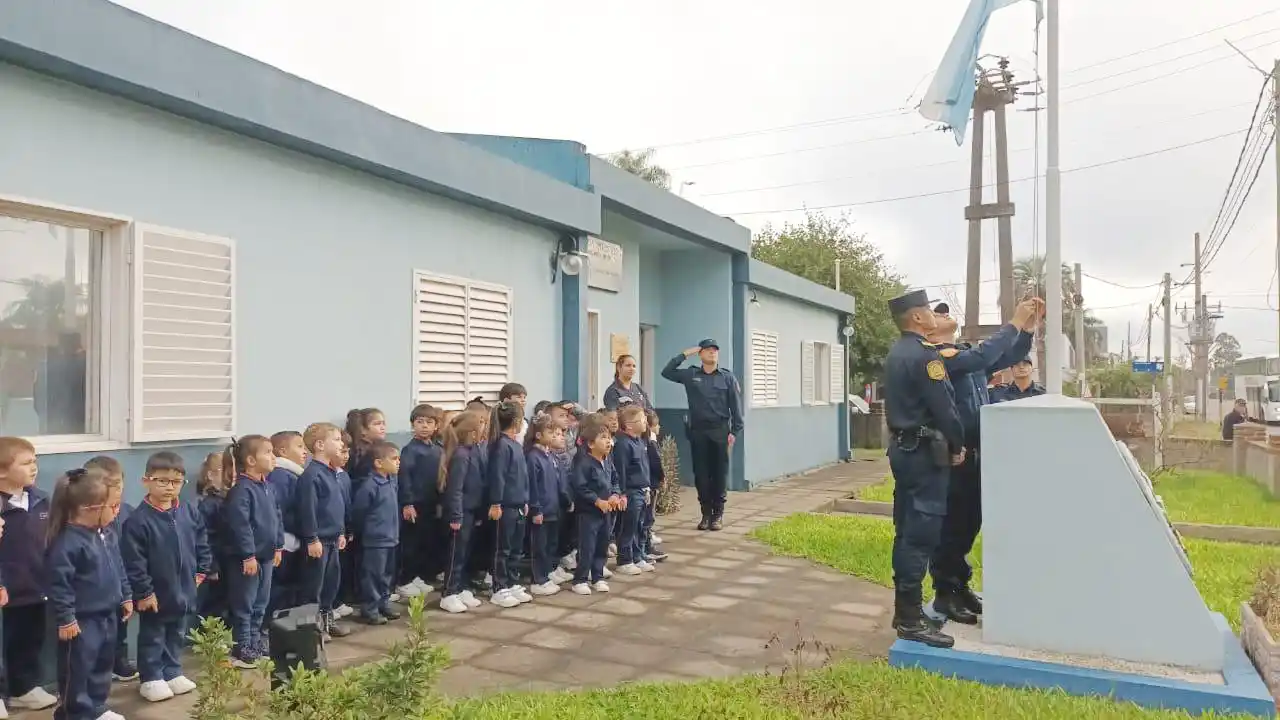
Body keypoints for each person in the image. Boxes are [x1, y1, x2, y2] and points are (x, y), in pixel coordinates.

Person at [926, 300, 1039, 626]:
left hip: (978, 455)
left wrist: (1027, 330)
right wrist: (1015, 320)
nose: (945, 314)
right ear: (929, 330)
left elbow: (1008, 356)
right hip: (955, 456)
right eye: (937, 313)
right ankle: (944, 592)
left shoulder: (965, 355)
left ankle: (960, 586)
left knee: (969, 525)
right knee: (951, 527)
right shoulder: (939, 358)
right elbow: (985, 355)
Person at [883, 289, 964, 649]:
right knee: (920, 534)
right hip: (924, 454)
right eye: (929, 310)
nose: (934, 315)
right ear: (917, 317)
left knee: (906, 531)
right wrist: (958, 444)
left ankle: (906, 611)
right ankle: (911, 619)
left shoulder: (898, 352)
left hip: (904, 450)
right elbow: (944, 408)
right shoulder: (925, 356)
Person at [120, 451, 211, 703]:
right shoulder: (138, 521)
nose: (169, 487)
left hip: (184, 588)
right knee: (153, 634)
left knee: (176, 632)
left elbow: (201, 541)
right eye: (162, 481)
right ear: (146, 481)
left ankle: (172, 671)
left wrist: (201, 570)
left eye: (176, 481)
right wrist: (144, 592)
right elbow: (134, 562)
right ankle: (151, 677)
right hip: (156, 593)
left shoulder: (188, 511)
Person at [45, 467, 133, 720]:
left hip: (107, 614)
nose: (117, 511)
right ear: (89, 509)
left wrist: (126, 595)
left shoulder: (106, 533)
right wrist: (66, 618)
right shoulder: (67, 543)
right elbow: (59, 584)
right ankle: (76, 712)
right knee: (78, 670)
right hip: (81, 622)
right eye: (113, 506)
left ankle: (96, 706)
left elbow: (118, 566)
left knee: (102, 665)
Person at [661, 339, 744, 531]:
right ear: (700, 354)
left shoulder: (727, 377)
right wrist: (685, 353)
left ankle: (718, 515)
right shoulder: (691, 375)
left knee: (719, 474)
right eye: (707, 350)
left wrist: (735, 431)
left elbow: (735, 406)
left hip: (720, 431)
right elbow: (667, 372)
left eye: (715, 350)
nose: (712, 352)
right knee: (701, 474)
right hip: (698, 431)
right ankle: (705, 514)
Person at [0, 436, 58, 713]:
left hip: (36, 588)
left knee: (30, 640)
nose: (34, 467)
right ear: (2, 471)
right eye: (25, 463)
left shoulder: (41, 500)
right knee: (5, 644)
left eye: (35, 461)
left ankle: (24, 688)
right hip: (6, 592)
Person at [221, 435, 283, 668]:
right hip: (247, 560)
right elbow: (240, 525)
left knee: (260, 603)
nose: (273, 457)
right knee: (244, 604)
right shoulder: (242, 490)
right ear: (250, 460)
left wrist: (278, 546)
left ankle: (255, 642)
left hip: (266, 556)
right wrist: (248, 554)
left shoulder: (268, 487)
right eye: (268, 452)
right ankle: (242, 646)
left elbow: (277, 517)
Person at [83, 455, 137, 685]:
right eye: (109, 484)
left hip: (122, 576)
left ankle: (118, 660)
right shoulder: (84, 520)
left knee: (121, 623)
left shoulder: (128, 511)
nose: (116, 489)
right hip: (96, 586)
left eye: (118, 483)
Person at [296, 422, 350, 639]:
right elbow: (307, 509)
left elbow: (337, 506)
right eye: (336, 440)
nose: (341, 444)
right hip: (319, 541)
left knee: (330, 584)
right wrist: (312, 538)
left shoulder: (332, 473)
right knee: (314, 587)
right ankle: (311, 629)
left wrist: (341, 532)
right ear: (319, 445)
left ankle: (327, 621)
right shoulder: (312, 475)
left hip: (333, 539)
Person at [438, 411, 487, 614]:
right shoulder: (460, 455)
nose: (484, 427)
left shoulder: (474, 451)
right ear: (472, 431)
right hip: (461, 512)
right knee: (456, 554)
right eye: (481, 423)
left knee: (467, 553)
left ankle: (461, 587)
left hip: (473, 510)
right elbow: (455, 489)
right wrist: (456, 515)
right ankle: (449, 592)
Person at [486, 400, 533, 608]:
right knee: (502, 549)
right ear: (516, 421)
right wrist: (496, 503)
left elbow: (522, 476)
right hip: (504, 507)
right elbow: (498, 477)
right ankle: (499, 586)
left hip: (518, 505)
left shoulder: (515, 445)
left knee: (515, 548)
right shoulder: (501, 446)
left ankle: (512, 582)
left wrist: (525, 500)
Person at [351, 441, 403, 625]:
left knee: (387, 575)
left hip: (391, 538)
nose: (398, 462)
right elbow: (359, 512)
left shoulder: (391, 481)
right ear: (379, 463)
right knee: (373, 576)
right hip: (375, 540)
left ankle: (383, 603)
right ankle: (370, 609)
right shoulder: (370, 485)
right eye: (394, 459)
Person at [569, 414, 620, 595]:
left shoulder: (607, 460)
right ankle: (580, 579)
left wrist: (615, 495)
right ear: (591, 443)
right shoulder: (583, 462)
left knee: (602, 545)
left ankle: (597, 577)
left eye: (609, 437)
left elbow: (615, 479)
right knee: (587, 547)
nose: (608, 441)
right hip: (588, 513)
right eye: (603, 438)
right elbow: (580, 487)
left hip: (606, 513)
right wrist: (597, 501)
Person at [397, 404, 444, 598]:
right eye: (420, 422)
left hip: (431, 503)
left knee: (426, 542)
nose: (424, 426)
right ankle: (404, 580)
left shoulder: (436, 449)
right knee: (411, 543)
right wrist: (407, 503)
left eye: (429, 422)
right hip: (415, 504)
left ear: (436, 426)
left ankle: (417, 576)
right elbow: (405, 478)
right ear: (412, 425)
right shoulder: (410, 450)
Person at [525, 415, 571, 594]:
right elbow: (533, 486)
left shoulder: (549, 455)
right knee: (540, 547)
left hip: (553, 509)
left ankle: (547, 574)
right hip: (541, 510)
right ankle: (538, 580)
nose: (554, 436)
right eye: (550, 432)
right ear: (538, 435)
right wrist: (536, 509)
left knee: (551, 545)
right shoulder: (533, 457)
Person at [265, 431, 305, 623]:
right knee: (279, 587)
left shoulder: (294, 474)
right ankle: (271, 625)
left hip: (293, 540)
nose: (305, 452)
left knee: (290, 588)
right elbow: (278, 509)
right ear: (282, 451)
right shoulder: (280, 476)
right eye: (299, 446)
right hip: (285, 541)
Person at [612, 405, 654, 576]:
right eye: (641, 420)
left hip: (643, 491)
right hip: (631, 492)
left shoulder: (640, 441)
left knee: (639, 526)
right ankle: (624, 560)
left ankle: (637, 556)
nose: (645, 422)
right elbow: (620, 471)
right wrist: (621, 493)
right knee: (628, 528)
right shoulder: (623, 444)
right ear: (629, 425)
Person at [196, 453, 229, 626]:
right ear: (210, 475)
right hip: (215, 565)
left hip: (227, 563)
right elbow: (205, 538)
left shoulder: (226, 499)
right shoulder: (208, 504)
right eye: (226, 471)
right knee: (212, 607)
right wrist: (212, 567)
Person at [642, 408, 667, 562]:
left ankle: (646, 545)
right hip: (650, 484)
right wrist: (662, 478)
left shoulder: (647, 441)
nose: (659, 427)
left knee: (647, 517)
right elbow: (656, 463)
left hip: (649, 484)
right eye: (657, 425)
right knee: (648, 517)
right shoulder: (650, 442)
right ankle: (646, 548)